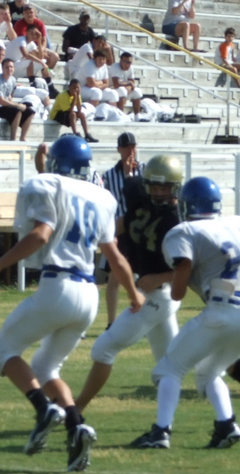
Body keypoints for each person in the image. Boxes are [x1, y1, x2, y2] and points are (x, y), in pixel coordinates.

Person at [0, 134, 144, 472]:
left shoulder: (50, 185)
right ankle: (76, 427)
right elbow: (115, 257)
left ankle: (44, 408)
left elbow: (41, 234)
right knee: (47, 368)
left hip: (58, 285)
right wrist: (134, 294)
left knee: (1, 352)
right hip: (89, 294)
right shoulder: (100, 196)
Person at [74, 154, 182, 412]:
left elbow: (190, 268)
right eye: (154, 186)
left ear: (175, 187)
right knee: (170, 365)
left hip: (159, 294)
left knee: (103, 349)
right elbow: (124, 224)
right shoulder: (139, 198)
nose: (158, 192)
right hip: (151, 293)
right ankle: (232, 384)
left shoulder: (177, 220)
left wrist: (160, 277)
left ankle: (75, 411)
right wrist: (96, 236)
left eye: (164, 187)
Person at [97, 131, 145, 328]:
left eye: (133, 147)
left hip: (142, 230)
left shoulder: (145, 171)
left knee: (145, 278)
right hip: (121, 231)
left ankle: (144, 320)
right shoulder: (109, 176)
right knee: (114, 278)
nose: (130, 151)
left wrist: (130, 175)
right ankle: (111, 322)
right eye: (126, 147)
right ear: (119, 149)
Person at [0, 57, 33, 140]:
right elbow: (0, 100)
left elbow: (11, 94)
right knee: (17, 110)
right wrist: (17, 105)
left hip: (4, 107)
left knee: (30, 112)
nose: (9, 69)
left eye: (11, 67)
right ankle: (13, 139)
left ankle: (22, 138)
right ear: (2, 68)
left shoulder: (12, 79)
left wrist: (13, 103)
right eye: (7, 67)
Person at [108, 51, 144, 118]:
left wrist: (129, 87)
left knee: (137, 91)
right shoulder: (115, 67)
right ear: (121, 61)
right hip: (111, 88)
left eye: (129, 62)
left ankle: (137, 116)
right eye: (126, 62)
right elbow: (116, 84)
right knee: (122, 91)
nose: (128, 65)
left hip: (125, 89)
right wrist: (128, 84)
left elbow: (132, 82)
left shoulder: (130, 68)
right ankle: (120, 115)